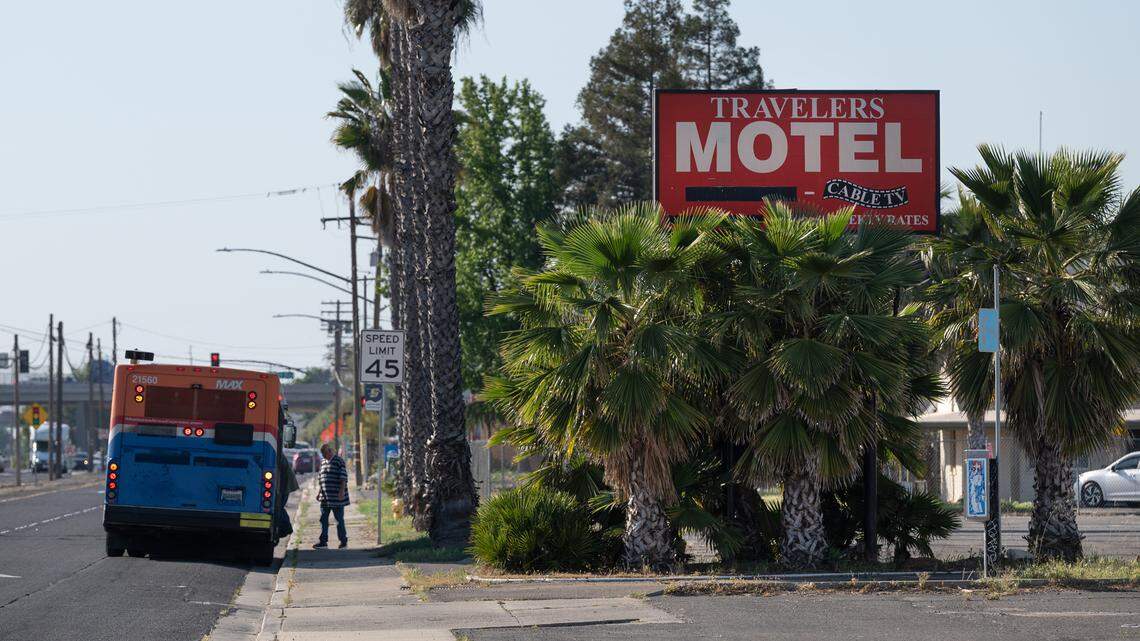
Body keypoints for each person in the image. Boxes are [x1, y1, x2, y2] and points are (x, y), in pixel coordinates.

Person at [313, 443, 349, 549]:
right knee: (323, 519)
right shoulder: (323, 462)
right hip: (325, 498)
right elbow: (321, 478)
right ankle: (323, 542)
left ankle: (343, 542)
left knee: (339, 520)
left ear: (330, 451)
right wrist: (319, 492)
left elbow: (343, 477)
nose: (324, 457)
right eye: (322, 455)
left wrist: (342, 492)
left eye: (325, 454)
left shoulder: (338, 461)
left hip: (336, 497)